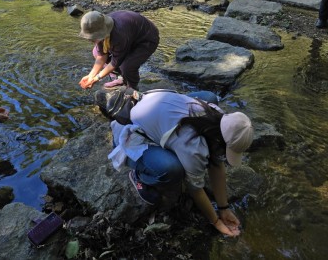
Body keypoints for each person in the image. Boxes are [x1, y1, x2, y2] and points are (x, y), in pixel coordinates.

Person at [101, 89, 254, 237]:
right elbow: (196, 189)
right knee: (172, 170)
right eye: (227, 151)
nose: (225, 157)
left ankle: (163, 140)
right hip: (127, 130)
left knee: (209, 96)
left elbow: (216, 162)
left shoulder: (215, 112)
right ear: (220, 140)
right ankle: (139, 176)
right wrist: (215, 221)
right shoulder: (193, 146)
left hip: (152, 107)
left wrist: (224, 208)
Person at [79, 10, 160, 90]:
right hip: (130, 36)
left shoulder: (118, 35)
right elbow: (101, 55)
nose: (90, 40)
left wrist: (96, 78)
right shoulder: (100, 26)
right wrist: (90, 76)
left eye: (93, 38)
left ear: (101, 32)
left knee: (126, 66)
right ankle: (121, 78)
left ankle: (132, 87)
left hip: (146, 39)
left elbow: (116, 62)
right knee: (96, 52)